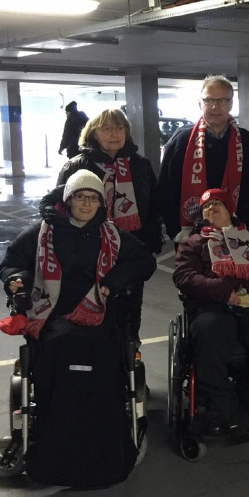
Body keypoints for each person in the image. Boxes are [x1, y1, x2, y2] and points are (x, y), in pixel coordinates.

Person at [173, 189, 249, 436]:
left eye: (217, 204)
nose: (211, 209)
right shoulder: (194, 242)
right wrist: (221, 290)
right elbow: (184, 276)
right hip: (213, 306)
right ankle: (218, 407)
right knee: (211, 330)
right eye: (206, 206)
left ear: (230, 209)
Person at [0, 169, 157, 338]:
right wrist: (19, 278)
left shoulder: (112, 235)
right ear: (68, 200)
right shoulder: (39, 232)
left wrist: (113, 281)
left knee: (108, 345)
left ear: (100, 203)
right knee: (58, 341)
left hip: (98, 308)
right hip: (51, 311)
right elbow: (12, 263)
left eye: (93, 198)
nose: (87, 204)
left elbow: (144, 261)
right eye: (80, 196)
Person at [56, 107, 163, 343]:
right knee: (87, 316)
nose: (114, 134)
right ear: (93, 132)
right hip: (88, 253)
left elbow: (154, 205)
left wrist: (150, 243)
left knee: (129, 318)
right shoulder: (76, 166)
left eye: (119, 128)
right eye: (106, 128)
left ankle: (130, 372)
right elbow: (59, 211)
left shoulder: (140, 165)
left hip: (129, 253)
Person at [158, 75, 249, 243]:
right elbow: (165, 189)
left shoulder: (248, 142)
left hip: (241, 234)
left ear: (231, 103)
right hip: (191, 236)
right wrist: (175, 231)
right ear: (200, 103)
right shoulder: (181, 142)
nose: (215, 106)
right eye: (209, 100)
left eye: (222, 101)